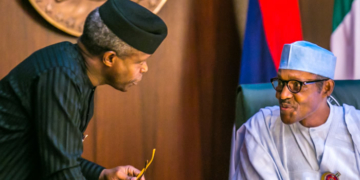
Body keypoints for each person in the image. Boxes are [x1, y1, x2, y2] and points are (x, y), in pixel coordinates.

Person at [0, 0, 167, 179]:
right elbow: (61, 172)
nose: (145, 69)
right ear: (110, 58)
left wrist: (102, 174)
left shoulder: (71, 70)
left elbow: (58, 155)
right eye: (140, 62)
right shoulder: (61, 76)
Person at [231, 41, 360, 179]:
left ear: (326, 88)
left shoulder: (356, 126)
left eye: (296, 85)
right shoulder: (260, 129)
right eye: (281, 83)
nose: (282, 94)